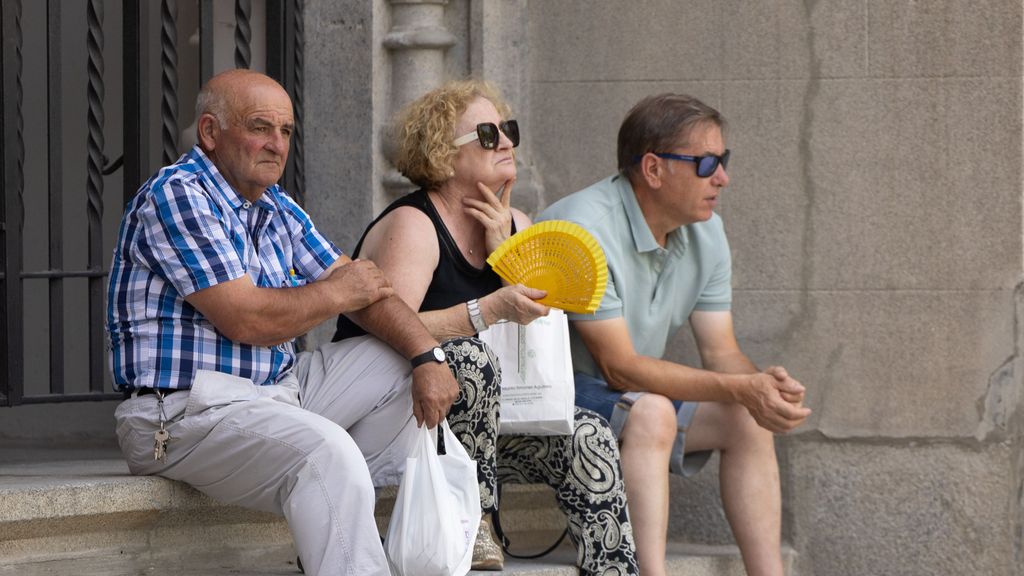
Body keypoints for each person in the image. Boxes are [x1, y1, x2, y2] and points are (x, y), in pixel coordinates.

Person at [106, 69, 460, 576]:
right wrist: (339, 291)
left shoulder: (276, 206)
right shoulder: (179, 195)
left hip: (276, 394)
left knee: (400, 362)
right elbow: (246, 319)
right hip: (184, 413)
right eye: (260, 127)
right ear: (210, 132)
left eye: (286, 132)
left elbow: (369, 291)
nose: (277, 144)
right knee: (327, 451)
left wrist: (427, 356)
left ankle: (332, 528)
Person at [334, 79, 639, 575]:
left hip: (494, 424)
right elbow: (389, 330)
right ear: (442, 154)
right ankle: (474, 521)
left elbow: (532, 333)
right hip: (401, 420)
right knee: (467, 359)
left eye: (509, 130)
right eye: (489, 134)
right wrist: (489, 308)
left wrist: (507, 256)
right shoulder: (415, 224)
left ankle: (615, 569)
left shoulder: (515, 221)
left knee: (592, 435)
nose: (508, 143)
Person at [536, 94, 812, 576]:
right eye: (707, 163)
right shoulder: (581, 228)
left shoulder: (708, 233)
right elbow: (617, 366)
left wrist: (762, 389)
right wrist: (741, 388)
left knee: (746, 418)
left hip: (630, 395)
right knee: (654, 411)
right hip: (559, 396)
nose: (722, 177)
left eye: (722, 161)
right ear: (653, 169)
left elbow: (722, 351)